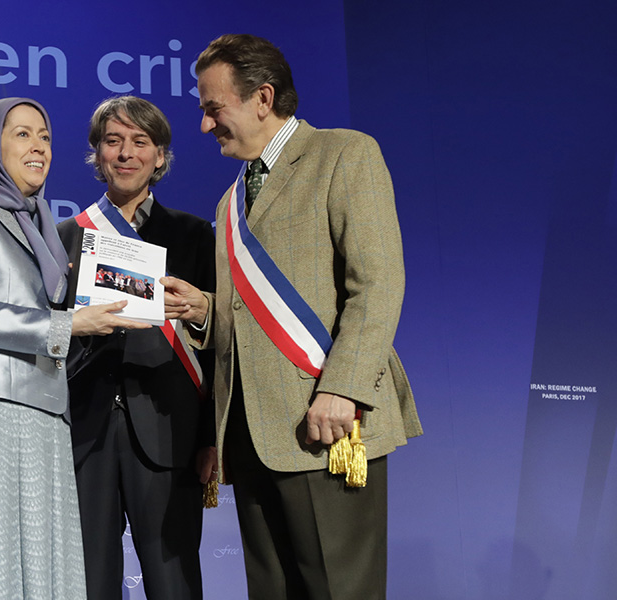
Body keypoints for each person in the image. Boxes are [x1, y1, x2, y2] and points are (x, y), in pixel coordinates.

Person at [162, 35, 423, 600]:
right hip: (254, 438)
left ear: (262, 97)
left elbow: (377, 284)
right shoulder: (229, 202)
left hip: (326, 424)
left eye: (213, 109)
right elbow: (247, 311)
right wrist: (203, 310)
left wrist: (344, 389)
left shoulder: (345, 153)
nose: (205, 126)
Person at [0, 97, 148, 600]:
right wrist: (68, 323)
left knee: (37, 568)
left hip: (42, 413)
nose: (38, 147)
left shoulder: (43, 225)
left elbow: (58, 322)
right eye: (22, 134)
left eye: (45, 137)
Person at [57, 96, 216, 600]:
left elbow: (215, 347)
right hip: (85, 430)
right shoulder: (64, 237)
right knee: (88, 581)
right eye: (113, 141)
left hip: (170, 430)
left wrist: (211, 436)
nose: (126, 153)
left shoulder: (193, 235)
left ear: (160, 157)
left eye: (140, 143)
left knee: (174, 583)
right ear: (97, 155)